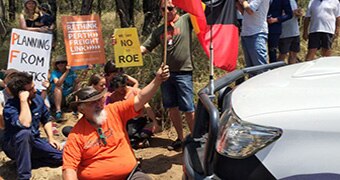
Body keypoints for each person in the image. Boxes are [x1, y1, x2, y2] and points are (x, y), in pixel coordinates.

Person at [62, 65, 169, 180]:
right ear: (81, 109)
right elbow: (69, 169)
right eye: (92, 103)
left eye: (99, 100)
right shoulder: (76, 135)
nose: (98, 105)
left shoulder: (114, 111)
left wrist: (157, 80)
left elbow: (141, 98)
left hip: (130, 175)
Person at [139, 0, 195, 150]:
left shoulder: (186, 20)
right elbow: (144, 48)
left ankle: (196, 140)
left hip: (184, 72)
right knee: (172, 108)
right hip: (166, 75)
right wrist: (121, 45)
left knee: (189, 108)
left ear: (176, 8)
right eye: (163, 9)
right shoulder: (158, 31)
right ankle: (180, 139)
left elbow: (203, 14)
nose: (167, 11)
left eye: (170, 8)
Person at [2, 72, 62, 180]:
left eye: (33, 87)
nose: (35, 90)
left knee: (60, 156)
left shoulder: (38, 99)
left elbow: (46, 118)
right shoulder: (10, 107)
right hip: (14, 145)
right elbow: (25, 124)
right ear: (21, 93)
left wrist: (51, 138)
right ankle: (24, 176)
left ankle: (26, 162)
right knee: (24, 133)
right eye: (30, 90)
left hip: (34, 141)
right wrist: (23, 101)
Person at [238, 0, 270, 68]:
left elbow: (250, 10)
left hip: (257, 34)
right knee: (250, 69)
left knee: (260, 68)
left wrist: (243, 1)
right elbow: (245, 13)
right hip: (246, 33)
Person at [49, 55, 79, 121]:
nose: (60, 64)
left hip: (68, 97)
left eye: (62, 62)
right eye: (58, 63)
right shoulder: (54, 73)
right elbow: (58, 83)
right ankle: (58, 112)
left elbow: (78, 81)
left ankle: (76, 106)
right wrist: (66, 72)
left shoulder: (72, 72)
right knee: (58, 88)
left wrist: (86, 71)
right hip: (56, 98)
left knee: (77, 85)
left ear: (66, 63)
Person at [278, 0, 303, 64]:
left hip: (295, 32)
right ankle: (277, 72)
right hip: (284, 33)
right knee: (283, 54)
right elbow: (276, 14)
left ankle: (291, 71)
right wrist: (292, 13)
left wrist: (298, 13)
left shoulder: (293, 1)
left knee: (293, 54)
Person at [0, 69, 18, 147]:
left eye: (15, 77)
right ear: (4, 81)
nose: (12, 80)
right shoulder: (0, 96)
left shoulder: (23, 95)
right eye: (10, 77)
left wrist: (44, 89)